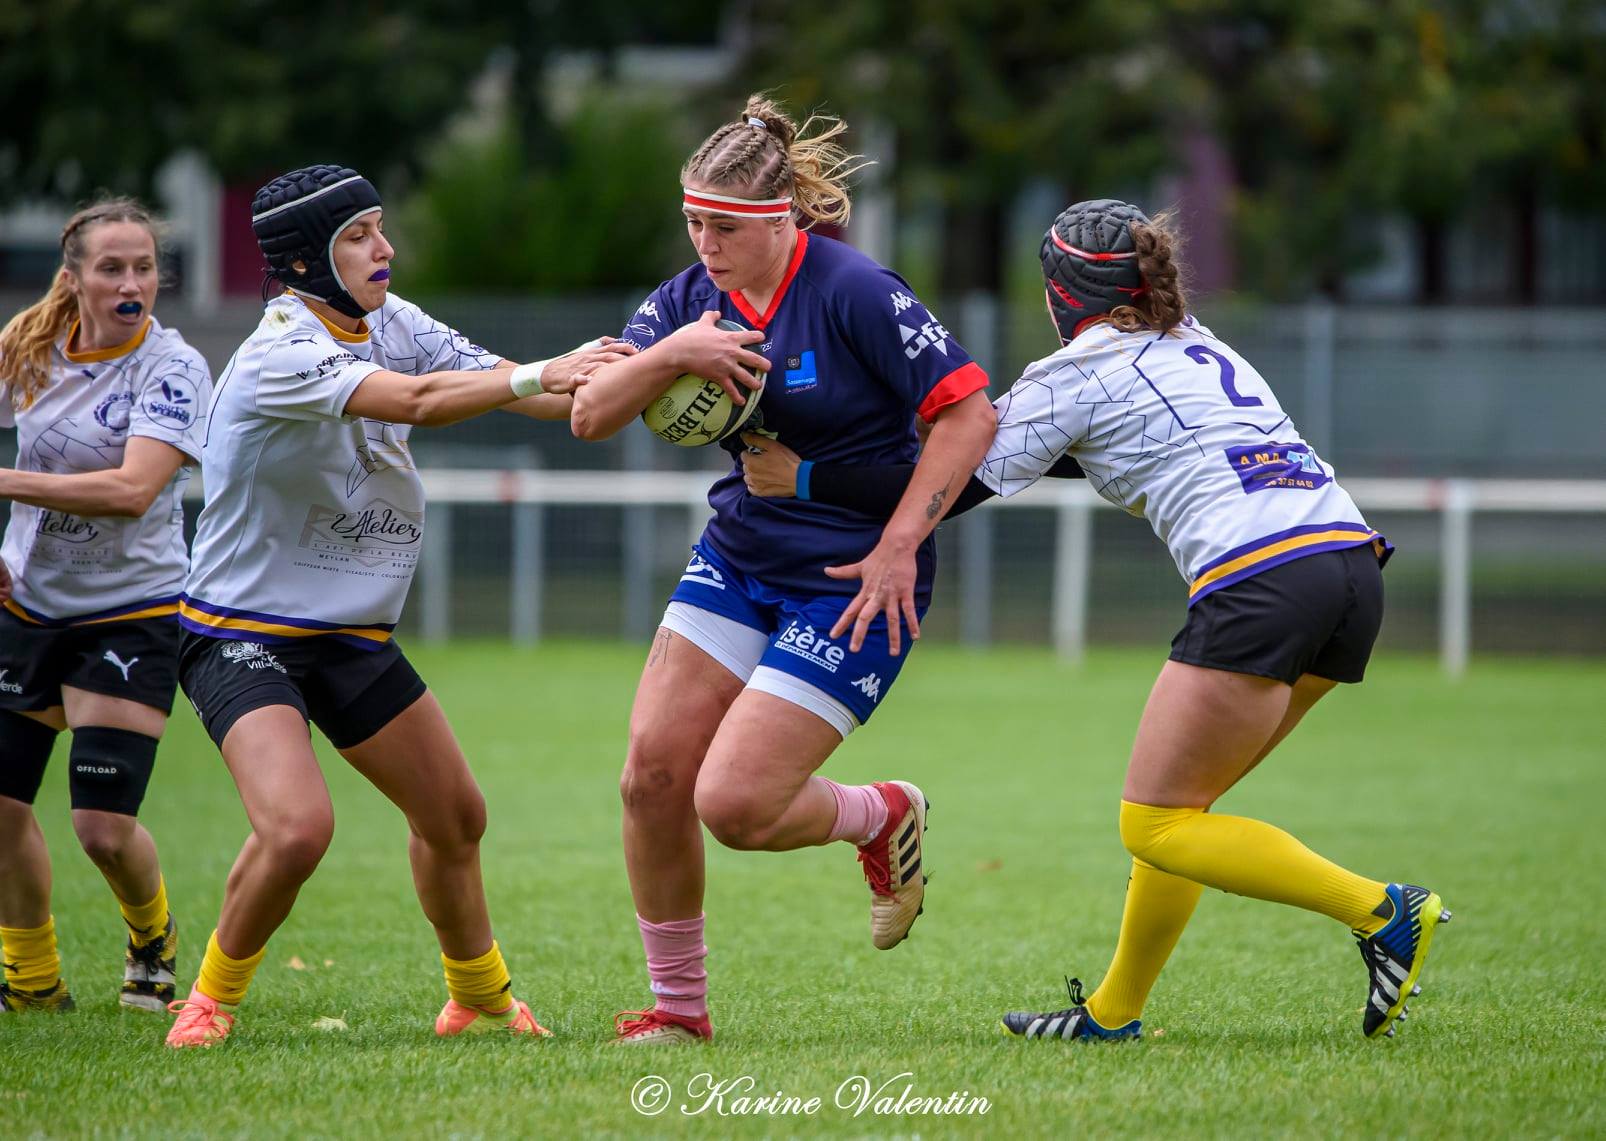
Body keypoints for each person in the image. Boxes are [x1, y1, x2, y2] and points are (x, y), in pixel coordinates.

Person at [739, 199, 1450, 1042]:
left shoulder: (1074, 372)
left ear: (1058, 294)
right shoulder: (1196, 340)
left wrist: (804, 478)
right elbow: (1114, 445)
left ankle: (1382, 910)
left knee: (1156, 821)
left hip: (1264, 578)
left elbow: (948, 485)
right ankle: (1114, 1012)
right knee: (1186, 810)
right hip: (1349, 567)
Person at [162, 164, 635, 1047]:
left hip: (351, 634)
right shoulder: (279, 351)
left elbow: (523, 388)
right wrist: (547, 372)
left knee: (456, 817)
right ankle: (209, 999)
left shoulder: (391, 320)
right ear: (303, 261)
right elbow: (421, 400)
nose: (384, 247)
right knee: (297, 829)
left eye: (380, 226)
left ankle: (478, 996)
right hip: (240, 632)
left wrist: (647, 364)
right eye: (358, 235)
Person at [570, 95, 998, 1045]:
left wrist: (898, 545)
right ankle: (679, 1009)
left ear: (781, 220)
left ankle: (880, 813)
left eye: (725, 227)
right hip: (738, 557)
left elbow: (970, 414)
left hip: (853, 577)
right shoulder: (685, 301)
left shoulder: (853, 289)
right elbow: (590, 414)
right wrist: (674, 352)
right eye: (694, 221)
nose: (706, 244)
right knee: (651, 777)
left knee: (734, 804)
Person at [0, 198, 209, 1015]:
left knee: (102, 830)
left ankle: (151, 935)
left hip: (131, 609)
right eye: (112, 268)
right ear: (74, 277)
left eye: (145, 267)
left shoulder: (173, 366)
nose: (132, 283)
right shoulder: (27, 347)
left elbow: (132, 491)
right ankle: (33, 980)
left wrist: (6, 481)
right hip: (28, 605)